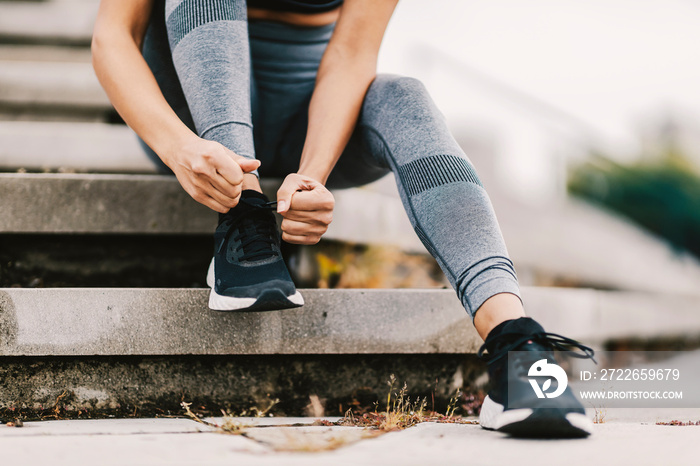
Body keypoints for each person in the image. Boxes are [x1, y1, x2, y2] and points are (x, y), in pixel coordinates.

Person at [92, 0, 595, 438]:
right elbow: (113, 35)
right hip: (190, 119)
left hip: (306, 119)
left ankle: (514, 343)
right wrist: (178, 146)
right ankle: (245, 218)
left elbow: (353, 53)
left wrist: (311, 176)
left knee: (406, 96)